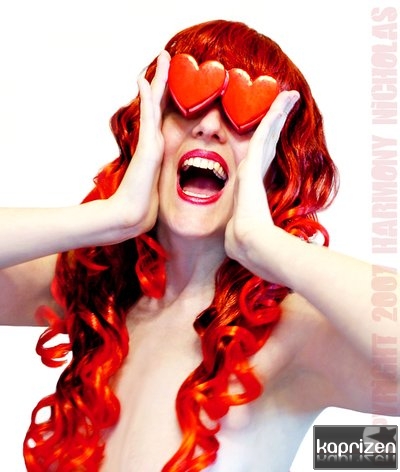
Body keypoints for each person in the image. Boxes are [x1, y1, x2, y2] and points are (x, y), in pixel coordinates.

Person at [0, 19, 398, 471]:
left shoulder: (294, 333)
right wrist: (110, 218)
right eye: (187, 104)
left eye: (244, 116)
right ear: (150, 131)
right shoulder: (97, 293)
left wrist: (268, 245)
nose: (208, 126)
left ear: (278, 163)